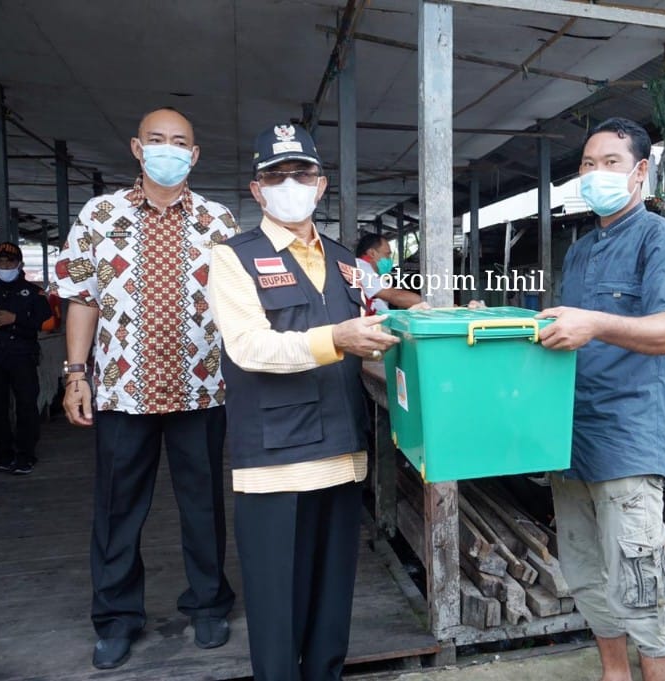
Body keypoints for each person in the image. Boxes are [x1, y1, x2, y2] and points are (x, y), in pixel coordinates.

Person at [208, 123, 397, 681]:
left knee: (331, 608)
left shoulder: (344, 261)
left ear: (321, 184)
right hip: (275, 463)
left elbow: (366, 344)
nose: (290, 184)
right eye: (276, 175)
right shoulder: (233, 258)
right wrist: (337, 339)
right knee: (277, 615)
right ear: (257, 190)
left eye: (302, 173)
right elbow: (248, 347)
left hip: (341, 454)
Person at [54, 107, 236, 669]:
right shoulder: (99, 214)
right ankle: (115, 617)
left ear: (195, 153)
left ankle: (208, 604)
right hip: (121, 391)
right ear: (137, 148)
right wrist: (75, 373)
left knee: (203, 505)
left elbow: (242, 307)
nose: (168, 149)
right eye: (156, 140)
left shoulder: (219, 221)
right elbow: (81, 298)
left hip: (201, 388)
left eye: (179, 141)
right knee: (116, 508)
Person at [537, 117, 665, 681]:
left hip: (627, 442)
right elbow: (571, 334)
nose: (596, 173)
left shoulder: (662, 240)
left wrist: (596, 323)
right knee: (586, 576)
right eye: (587, 164)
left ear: (638, 172)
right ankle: (615, 674)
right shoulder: (581, 252)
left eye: (610, 162)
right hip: (572, 439)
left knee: (641, 588)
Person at [0, 242, 53, 474]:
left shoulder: (33, 292)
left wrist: (15, 319)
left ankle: (26, 455)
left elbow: (47, 323)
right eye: (0, 262)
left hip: (22, 356)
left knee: (26, 405)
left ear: (19, 264)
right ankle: (4, 453)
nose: (4, 266)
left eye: (9, 262)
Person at [353, 232, 423, 312]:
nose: (389, 259)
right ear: (372, 253)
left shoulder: (367, 270)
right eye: (387, 254)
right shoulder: (363, 269)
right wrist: (429, 304)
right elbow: (395, 296)